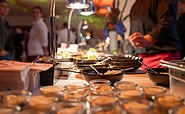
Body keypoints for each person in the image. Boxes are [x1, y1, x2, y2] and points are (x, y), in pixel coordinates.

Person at [128, 0, 181, 70]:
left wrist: (148, 39)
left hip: (163, 58)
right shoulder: (137, 4)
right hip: (141, 60)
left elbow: (167, 22)